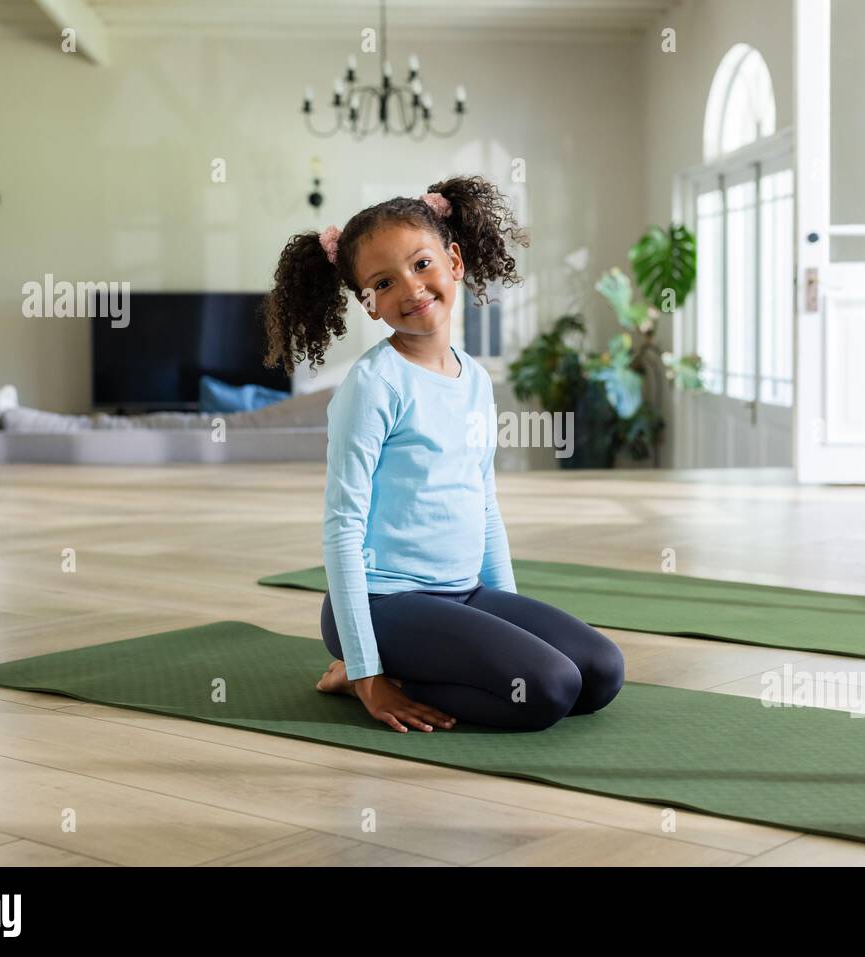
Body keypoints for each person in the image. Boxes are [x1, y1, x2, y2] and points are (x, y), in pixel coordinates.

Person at [262, 174, 625, 733]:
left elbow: (483, 503)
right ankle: (371, 672)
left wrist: (511, 623)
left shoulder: (475, 378)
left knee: (600, 673)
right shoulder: (373, 387)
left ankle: (417, 668)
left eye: (421, 264)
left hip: (466, 592)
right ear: (370, 305)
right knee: (550, 690)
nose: (410, 288)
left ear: (454, 261)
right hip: (385, 601)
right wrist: (367, 673)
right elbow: (341, 526)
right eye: (383, 282)